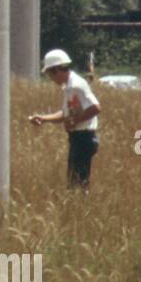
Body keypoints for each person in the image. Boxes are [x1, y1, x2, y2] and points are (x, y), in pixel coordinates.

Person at [28, 48, 101, 189]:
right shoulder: (69, 87)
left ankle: (81, 208)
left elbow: (95, 108)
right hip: (78, 139)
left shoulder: (76, 85)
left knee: (77, 185)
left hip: (83, 138)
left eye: (50, 74)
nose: (51, 78)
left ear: (57, 70)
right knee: (75, 183)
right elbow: (66, 114)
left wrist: (74, 121)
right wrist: (44, 119)